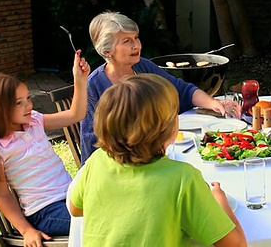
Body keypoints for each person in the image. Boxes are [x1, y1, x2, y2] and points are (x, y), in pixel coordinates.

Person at [69, 74, 247, 246]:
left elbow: (75, 208)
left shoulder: (97, 160)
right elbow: (237, 245)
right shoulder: (183, 178)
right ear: (169, 129)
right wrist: (221, 203)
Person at [80, 11, 240, 164]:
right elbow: (91, 140)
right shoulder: (94, 85)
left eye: (136, 38)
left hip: (157, 153)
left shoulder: (143, 66)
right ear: (107, 51)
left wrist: (214, 104)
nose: (136, 45)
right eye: (127, 41)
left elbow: (182, 90)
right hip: (121, 163)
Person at [0, 52, 90, 247]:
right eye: (19, 103)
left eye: (28, 98)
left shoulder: (34, 120)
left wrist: (79, 79)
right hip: (45, 211)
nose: (28, 105)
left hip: (72, 195)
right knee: (103, 220)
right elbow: (2, 195)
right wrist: (26, 230)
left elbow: (76, 114)